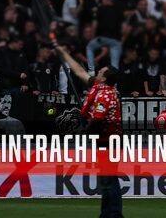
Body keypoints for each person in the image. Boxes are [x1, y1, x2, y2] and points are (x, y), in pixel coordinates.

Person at [53, 35, 123, 218]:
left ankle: (114, 214)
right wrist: (63, 53)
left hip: (108, 142)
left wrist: (83, 134)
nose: (97, 72)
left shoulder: (106, 95)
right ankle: (107, 213)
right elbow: (79, 72)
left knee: (109, 180)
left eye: (101, 72)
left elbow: (98, 121)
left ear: (105, 78)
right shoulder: (99, 88)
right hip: (103, 140)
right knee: (106, 180)